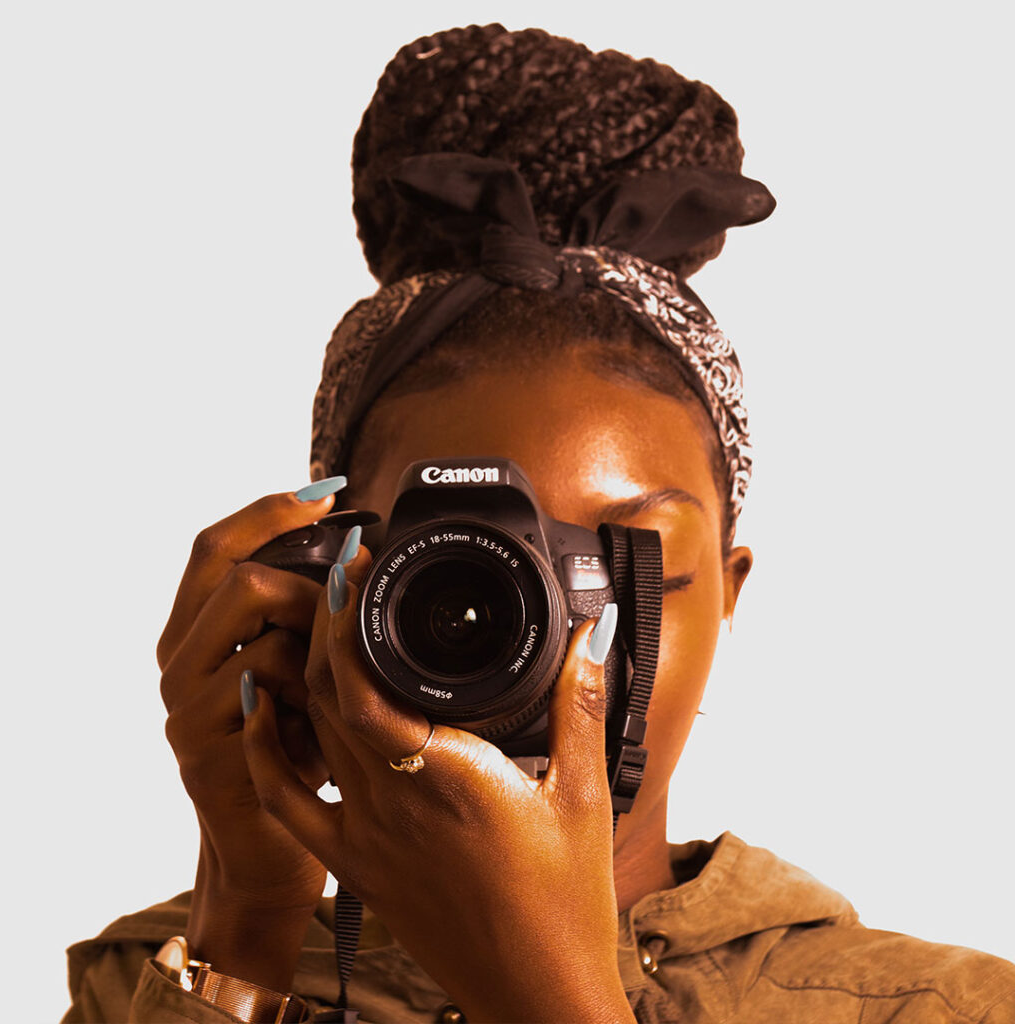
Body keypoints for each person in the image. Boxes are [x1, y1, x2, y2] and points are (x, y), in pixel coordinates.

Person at [63, 23, 1015, 1024]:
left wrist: (541, 990)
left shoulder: (942, 1010)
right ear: (328, 572)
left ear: (728, 591)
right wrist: (247, 916)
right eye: (458, 561)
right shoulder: (148, 982)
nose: (550, 624)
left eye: (625, 562)